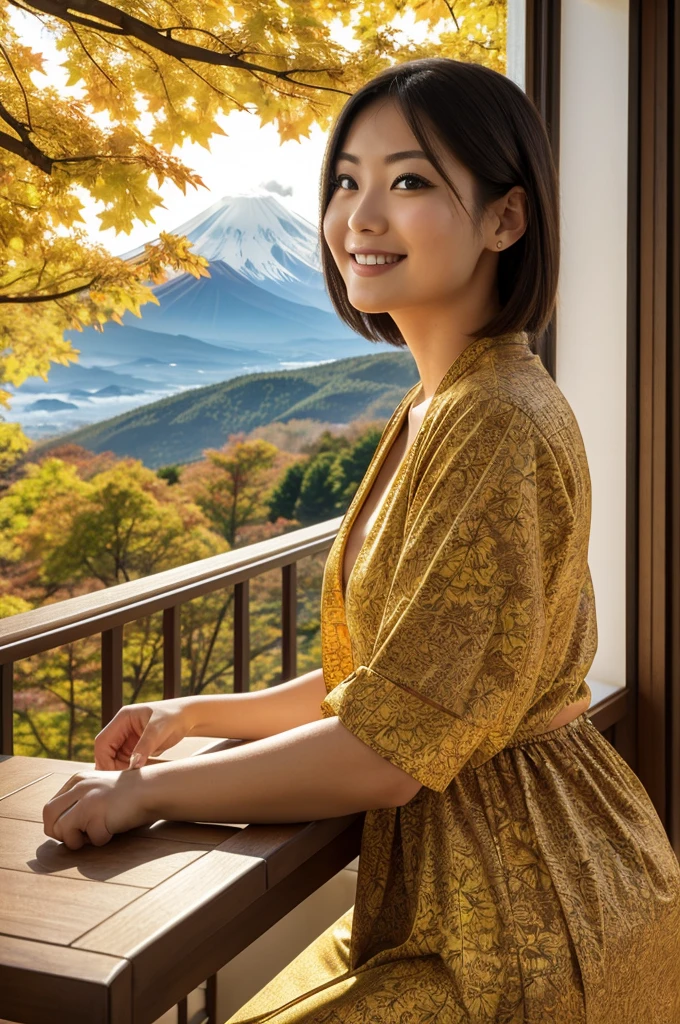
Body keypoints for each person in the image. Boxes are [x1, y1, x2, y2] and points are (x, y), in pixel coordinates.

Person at [42, 57, 680, 1023]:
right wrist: (195, 715)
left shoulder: (495, 422)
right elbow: (390, 685)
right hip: (477, 890)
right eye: (347, 181)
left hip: (523, 921)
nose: (360, 218)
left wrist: (146, 797)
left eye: (410, 181)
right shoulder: (439, 407)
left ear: (507, 220)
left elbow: (386, 747)